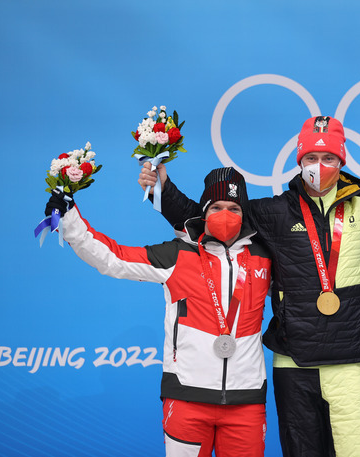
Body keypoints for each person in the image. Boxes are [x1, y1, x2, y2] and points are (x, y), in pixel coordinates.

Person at [138, 116, 360, 457]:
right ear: (299, 160)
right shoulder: (273, 212)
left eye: (327, 157)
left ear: (340, 160)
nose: (318, 165)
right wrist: (163, 190)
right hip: (294, 364)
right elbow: (214, 220)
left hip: (350, 360)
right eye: (310, 157)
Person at [47, 167, 272, 457]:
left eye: (233, 208)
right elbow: (113, 259)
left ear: (244, 214)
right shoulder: (178, 255)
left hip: (247, 403)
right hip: (186, 398)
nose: (225, 214)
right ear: (204, 211)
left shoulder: (264, 258)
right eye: (216, 207)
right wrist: (69, 218)